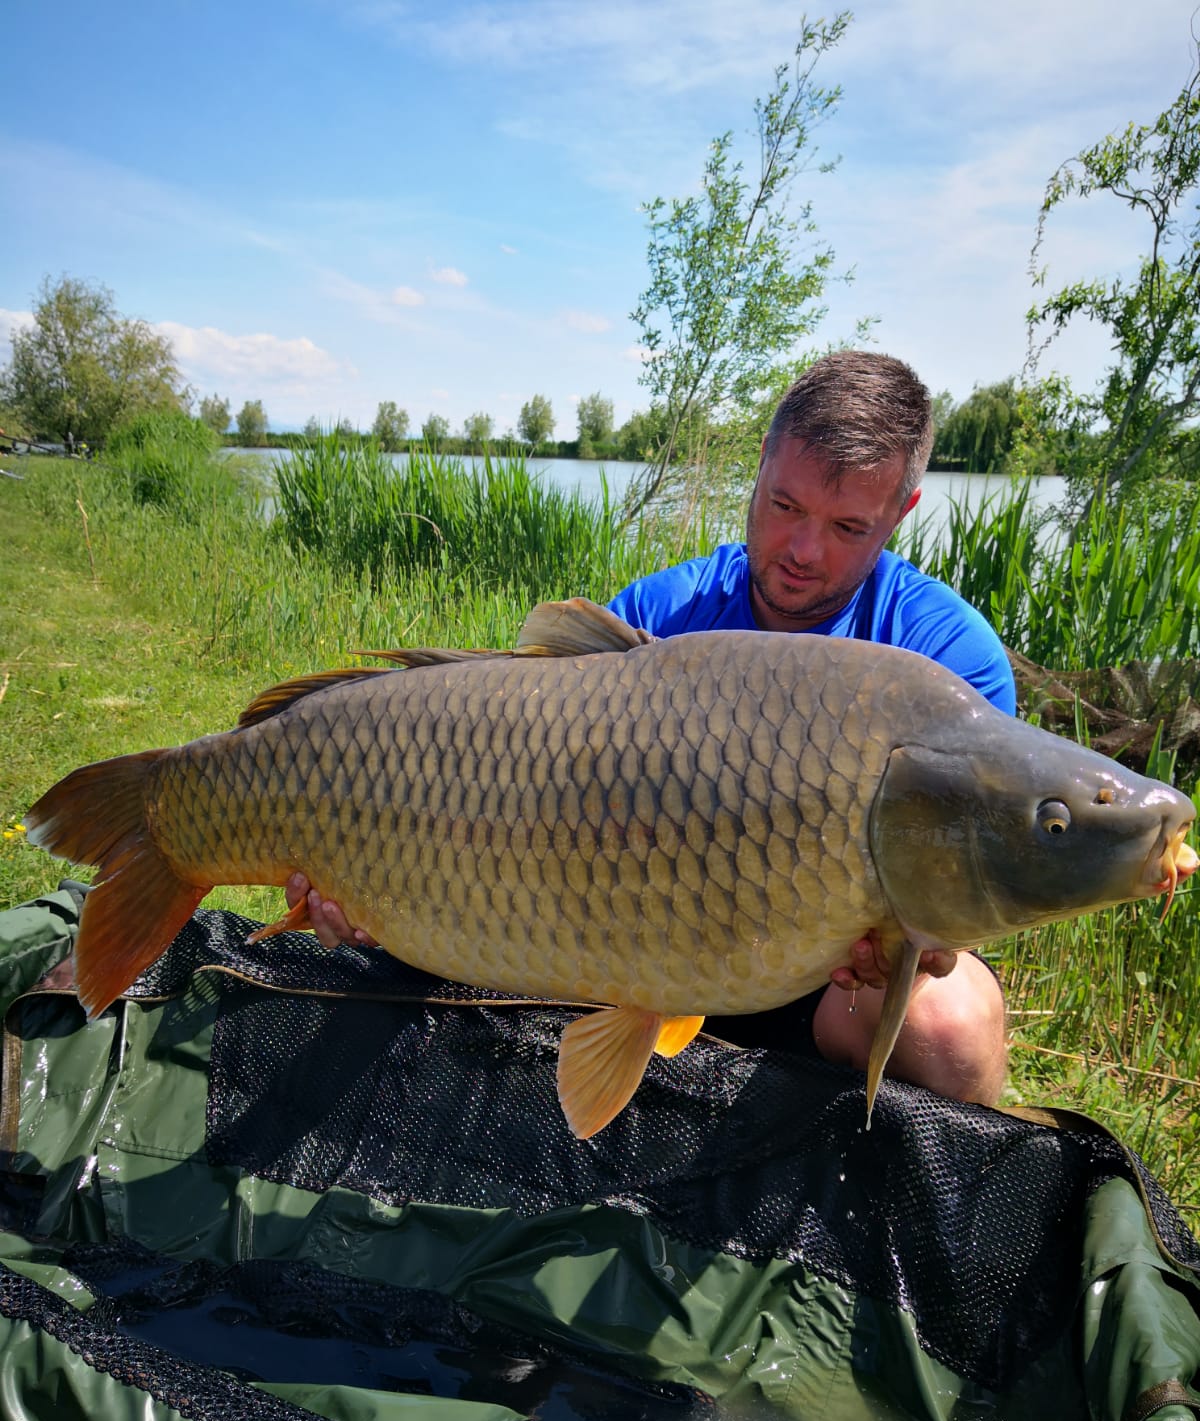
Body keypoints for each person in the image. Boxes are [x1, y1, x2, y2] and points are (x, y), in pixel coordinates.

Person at [287, 352, 1011, 1109]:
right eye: (785, 506)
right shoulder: (660, 618)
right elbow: (519, 805)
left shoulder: (947, 664)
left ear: (902, 511)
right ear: (761, 465)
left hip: (825, 987)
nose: (804, 550)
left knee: (951, 1024)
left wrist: (920, 945)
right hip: (631, 947)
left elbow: (961, 888)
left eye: (847, 527)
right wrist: (375, 884)